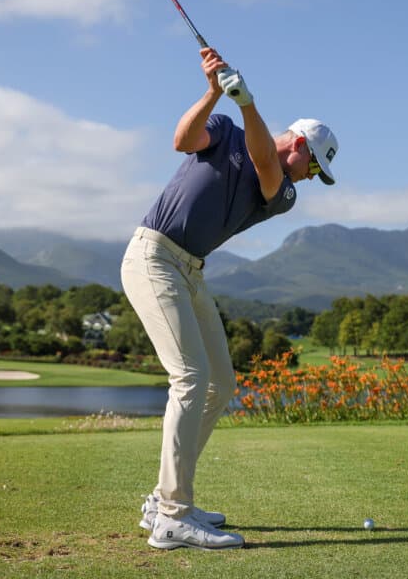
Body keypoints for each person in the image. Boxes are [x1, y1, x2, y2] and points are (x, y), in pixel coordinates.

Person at [121, 47, 338, 550]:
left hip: (190, 272)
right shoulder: (224, 129)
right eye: (315, 167)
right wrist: (216, 91)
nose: (311, 177)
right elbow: (182, 140)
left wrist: (248, 101)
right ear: (301, 145)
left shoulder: (283, 192)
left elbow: (265, 163)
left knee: (221, 382)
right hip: (153, 257)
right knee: (191, 377)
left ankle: (163, 498)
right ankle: (173, 516)